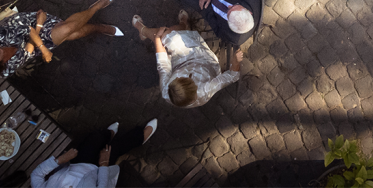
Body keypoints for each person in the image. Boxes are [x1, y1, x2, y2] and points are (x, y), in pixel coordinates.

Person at [0, 0, 122, 80]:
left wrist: (40, 27)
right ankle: (98, 24)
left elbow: (28, 30)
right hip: (35, 42)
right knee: (71, 33)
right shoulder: (5, 71)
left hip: (32, 22)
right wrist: (41, 45)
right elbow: (27, 52)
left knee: (68, 30)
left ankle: (97, 12)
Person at [131, 10, 244, 107]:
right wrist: (235, 61)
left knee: (167, 34)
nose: (184, 75)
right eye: (187, 79)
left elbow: (163, 65)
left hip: (181, 60)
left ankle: (143, 31)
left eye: (179, 78)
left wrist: (157, 39)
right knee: (173, 31)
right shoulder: (205, 90)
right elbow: (232, 76)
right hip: (204, 60)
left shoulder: (167, 91)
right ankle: (183, 25)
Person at [29, 119, 158, 188]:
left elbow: (36, 175)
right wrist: (103, 164)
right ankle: (141, 137)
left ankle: (108, 135)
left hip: (76, 163)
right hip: (97, 172)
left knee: (95, 137)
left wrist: (60, 160)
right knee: (116, 147)